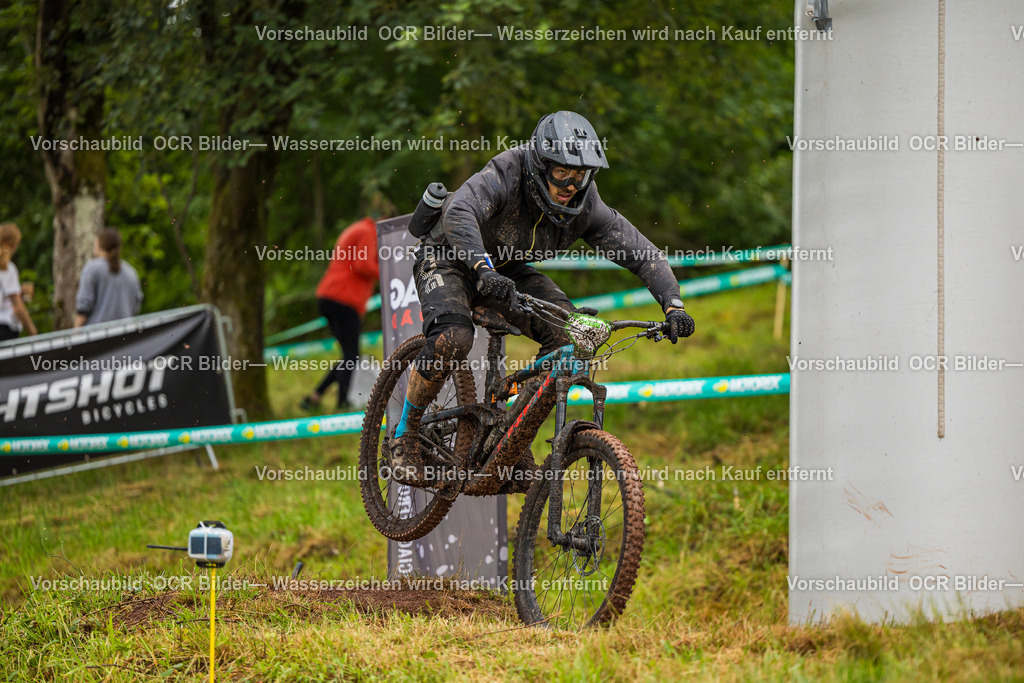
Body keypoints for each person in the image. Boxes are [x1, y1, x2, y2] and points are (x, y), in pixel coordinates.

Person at [391, 110, 696, 489]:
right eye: (561, 174)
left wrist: (673, 304)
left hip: (507, 269)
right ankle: (405, 435)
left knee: (572, 336)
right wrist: (484, 270)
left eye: (580, 175)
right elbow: (460, 210)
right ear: (540, 166)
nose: (570, 185)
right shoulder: (508, 170)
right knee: (453, 338)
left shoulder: (586, 206)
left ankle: (511, 436)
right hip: (449, 254)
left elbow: (641, 252)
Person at [300, 216, 380, 412]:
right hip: (343, 298)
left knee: (349, 355)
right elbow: (363, 264)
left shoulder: (357, 228)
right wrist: (388, 272)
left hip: (330, 295)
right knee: (351, 356)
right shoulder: (368, 232)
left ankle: (315, 396)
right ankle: (341, 403)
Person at [74, 227, 143, 327]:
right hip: (125, 336)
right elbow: (136, 306)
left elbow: (84, 307)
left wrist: (75, 335)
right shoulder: (131, 272)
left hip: (97, 336)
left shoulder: (92, 268)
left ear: (99, 244)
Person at [0, 222, 38, 341]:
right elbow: (17, 307)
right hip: (4, 329)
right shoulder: (7, 268)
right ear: (9, 245)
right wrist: (32, 330)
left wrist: (19, 293)